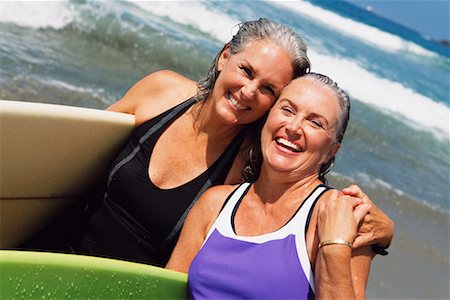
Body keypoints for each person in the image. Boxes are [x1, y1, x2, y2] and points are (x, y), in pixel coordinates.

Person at [21, 18, 392, 267]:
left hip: (123, 287)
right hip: (43, 255)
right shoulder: (161, 92)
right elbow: (72, 161)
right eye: (246, 71)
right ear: (225, 56)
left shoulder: (249, 161)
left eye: (268, 90)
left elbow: (305, 192)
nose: (248, 92)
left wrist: (384, 230)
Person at [166, 73, 376, 299]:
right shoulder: (215, 204)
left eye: (315, 123)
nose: (294, 127)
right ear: (267, 118)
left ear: (331, 152)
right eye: (287, 110)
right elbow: (166, 292)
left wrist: (335, 247)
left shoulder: (340, 218)